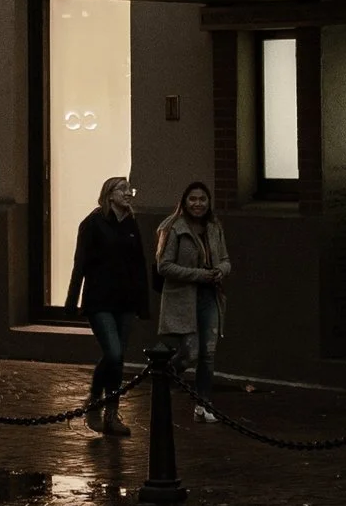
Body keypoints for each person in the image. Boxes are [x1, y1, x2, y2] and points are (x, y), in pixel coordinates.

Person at [64, 173, 149, 434]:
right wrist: (72, 300)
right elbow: (81, 263)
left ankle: (112, 414)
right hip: (99, 299)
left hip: (125, 300)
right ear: (109, 194)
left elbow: (139, 265)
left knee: (118, 357)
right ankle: (94, 401)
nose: (127, 193)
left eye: (128, 189)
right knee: (112, 352)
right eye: (122, 189)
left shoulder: (131, 224)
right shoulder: (93, 223)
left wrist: (142, 303)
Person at [153, 182, 231, 419]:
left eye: (202, 199)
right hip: (184, 298)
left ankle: (203, 404)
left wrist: (221, 270)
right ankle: (162, 376)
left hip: (210, 296)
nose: (198, 204)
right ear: (184, 202)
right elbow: (163, 266)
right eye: (193, 199)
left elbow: (226, 258)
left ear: (209, 203)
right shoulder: (173, 228)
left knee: (208, 352)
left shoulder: (214, 227)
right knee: (191, 353)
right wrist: (199, 274)